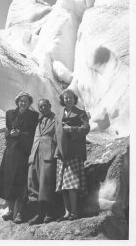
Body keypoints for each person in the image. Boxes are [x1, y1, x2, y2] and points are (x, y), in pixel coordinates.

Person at [0, 91, 39, 224]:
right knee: (8, 181)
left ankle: (19, 212)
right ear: (17, 102)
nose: (23, 103)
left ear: (29, 103)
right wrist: (11, 134)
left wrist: (20, 134)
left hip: (24, 152)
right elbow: (7, 131)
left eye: (26, 101)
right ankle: (10, 210)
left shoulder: (34, 116)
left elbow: (33, 134)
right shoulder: (10, 114)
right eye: (21, 100)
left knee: (21, 182)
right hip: (11, 152)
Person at [54, 89, 90, 221]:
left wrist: (72, 129)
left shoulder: (80, 113)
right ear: (62, 100)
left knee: (72, 184)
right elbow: (55, 134)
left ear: (74, 99)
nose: (68, 100)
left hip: (74, 152)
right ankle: (67, 212)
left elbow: (86, 128)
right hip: (61, 153)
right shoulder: (58, 115)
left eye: (70, 98)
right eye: (65, 98)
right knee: (63, 185)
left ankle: (74, 212)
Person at [28, 99, 57, 225]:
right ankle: (37, 212)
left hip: (48, 154)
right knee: (33, 182)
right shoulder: (37, 120)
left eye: (45, 105)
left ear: (50, 106)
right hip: (35, 153)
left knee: (46, 183)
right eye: (41, 107)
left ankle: (48, 213)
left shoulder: (56, 119)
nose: (43, 108)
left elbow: (60, 136)